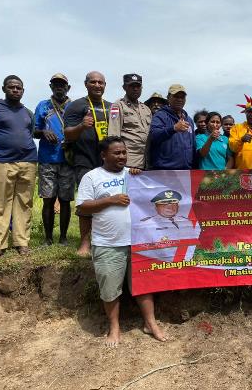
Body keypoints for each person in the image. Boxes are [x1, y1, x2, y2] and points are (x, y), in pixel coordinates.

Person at [76, 136, 165, 347]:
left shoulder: (134, 175)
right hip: (107, 243)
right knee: (109, 289)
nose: (122, 156)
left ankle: (150, 323)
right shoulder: (91, 177)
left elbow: (153, 198)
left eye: (124, 152)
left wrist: (140, 177)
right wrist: (110, 200)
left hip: (138, 242)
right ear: (103, 155)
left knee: (143, 285)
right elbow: (82, 208)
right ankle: (114, 327)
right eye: (117, 153)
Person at [0, 75, 37, 260]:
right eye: (11, 87)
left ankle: (21, 243)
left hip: (28, 161)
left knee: (24, 203)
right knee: (0, 203)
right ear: (4, 89)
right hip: (1, 161)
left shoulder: (28, 112)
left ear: (23, 91)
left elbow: (30, 132)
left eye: (19, 88)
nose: (15, 90)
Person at [64, 71, 111, 257]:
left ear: (105, 85)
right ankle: (85, 243)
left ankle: (105, 240)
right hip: (84, 159)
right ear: (86, 84)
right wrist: (82, 126)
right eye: (93, 82)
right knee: (86, 202)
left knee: (108, 201)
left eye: (101, 82)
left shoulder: (112, 107)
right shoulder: (76, 106)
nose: (97, 85)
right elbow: (68, 134)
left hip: (107, 162)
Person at [34, 73, 74, 246]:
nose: (59, 87)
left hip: (68, 159)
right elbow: (33, 131)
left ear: (68, 88)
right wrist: (43, 132)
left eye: (62, 84)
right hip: (47, 158)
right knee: (48, 199)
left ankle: (63, 238)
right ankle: (48, 238)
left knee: (65, 200)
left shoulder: (74, 106)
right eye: (56, 84)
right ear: (51, 87)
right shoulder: (43, 106)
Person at [108, 74, 152, 170]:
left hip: (147, 160)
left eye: (138, 86)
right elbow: (113, 135)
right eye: (132, 86)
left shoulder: (146, 109)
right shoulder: (117, 105)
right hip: (129, 161)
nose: (135, 89)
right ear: (124, 87)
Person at [149, 84, 196, 170]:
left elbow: (193, 146)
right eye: (176, 96)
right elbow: (154, 136)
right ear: (168, 97)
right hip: (164, 170)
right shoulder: (160, 115)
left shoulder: (189, 120)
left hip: (186, 170)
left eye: (182, 97)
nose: (179, 99)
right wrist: (174, 128)